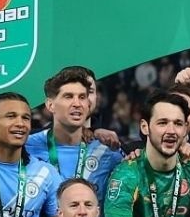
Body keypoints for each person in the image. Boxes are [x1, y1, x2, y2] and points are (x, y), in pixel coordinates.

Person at [26, 68, 122, 199]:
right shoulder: (26, 146)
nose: (77, 103)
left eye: (82, 97)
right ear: (50, 105)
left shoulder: (107, 151)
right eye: (68, 96)